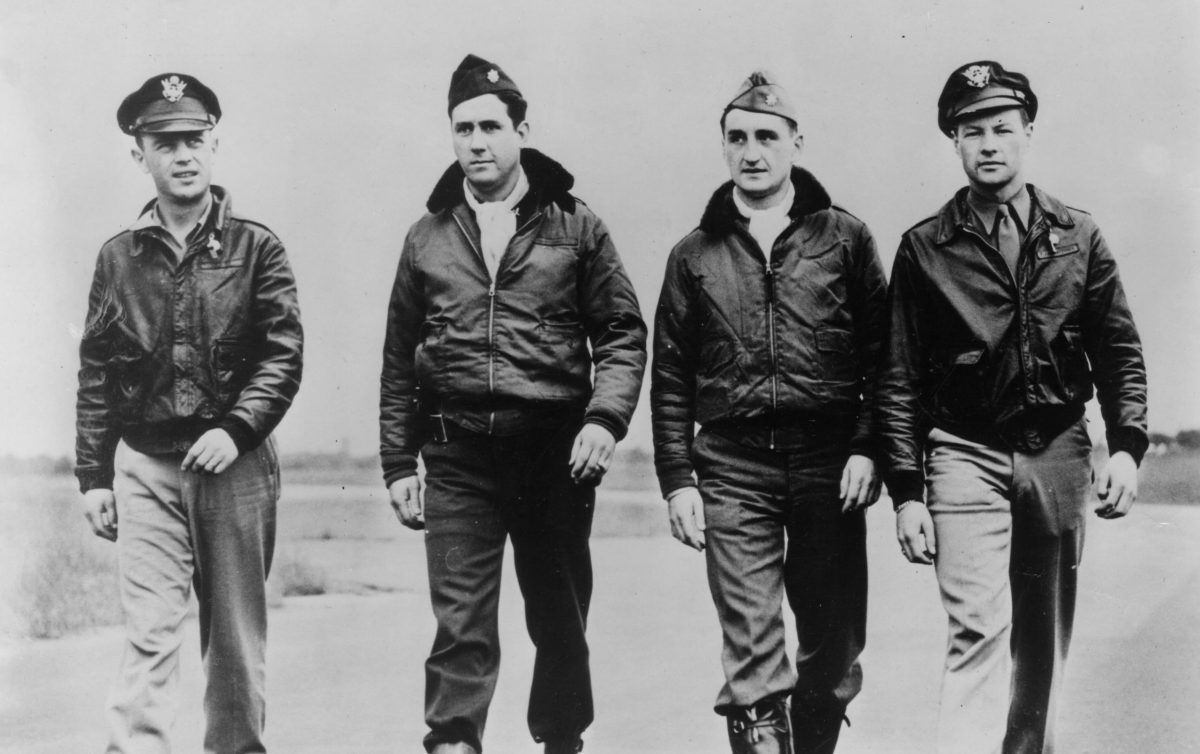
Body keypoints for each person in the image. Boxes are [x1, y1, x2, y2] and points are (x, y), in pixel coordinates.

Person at [379, 54, 647, 754]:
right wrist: (397, 463)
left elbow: (621, 332)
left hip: (552, 452)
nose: (477, 142)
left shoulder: (577, 227)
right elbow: (398, 356)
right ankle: (453, 741)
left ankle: (561, 739)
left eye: (491, 127)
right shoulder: (427, 237)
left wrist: (604, 419)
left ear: (522, 131)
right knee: (460, 619)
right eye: (463, 128)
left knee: (558, 617)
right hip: (457, 452)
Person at [877, 61, 1147, 753]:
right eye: (973, 131)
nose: (989, 143)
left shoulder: (1078, 235)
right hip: (963, 453)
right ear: (955, 142)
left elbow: (1118, 348)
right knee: (976, 629)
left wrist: (1126, 447)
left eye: (1002, 127)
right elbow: (898, 378)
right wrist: (906, 491)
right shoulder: (924, 248)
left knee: (1043, 639)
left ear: (1029, 131)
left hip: (1058, 450)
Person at [651, 70, 888, 754]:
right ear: (723, 146)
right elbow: (670, 375)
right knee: (752, 652)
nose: (751, 152)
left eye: (766, 136)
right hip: (733, 466)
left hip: (828, 465)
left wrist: (868, 446)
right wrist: (678, 479)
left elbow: (885, 357)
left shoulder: (845, 239)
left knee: (832, 648)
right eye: (737, 138)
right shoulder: (693, 255)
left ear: (796, 143)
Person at [75, 73, 303, 753]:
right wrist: (93, 476)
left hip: (234, 466)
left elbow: (283, 355)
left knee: (233, 643)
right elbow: (97, 370)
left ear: (214, 144)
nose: (183, 155)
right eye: (165, 143)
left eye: (194, 140)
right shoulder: (118, 257)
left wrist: (236, 429)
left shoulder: (257, 248)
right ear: (139, 153)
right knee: (148, 635)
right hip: (145, 467)